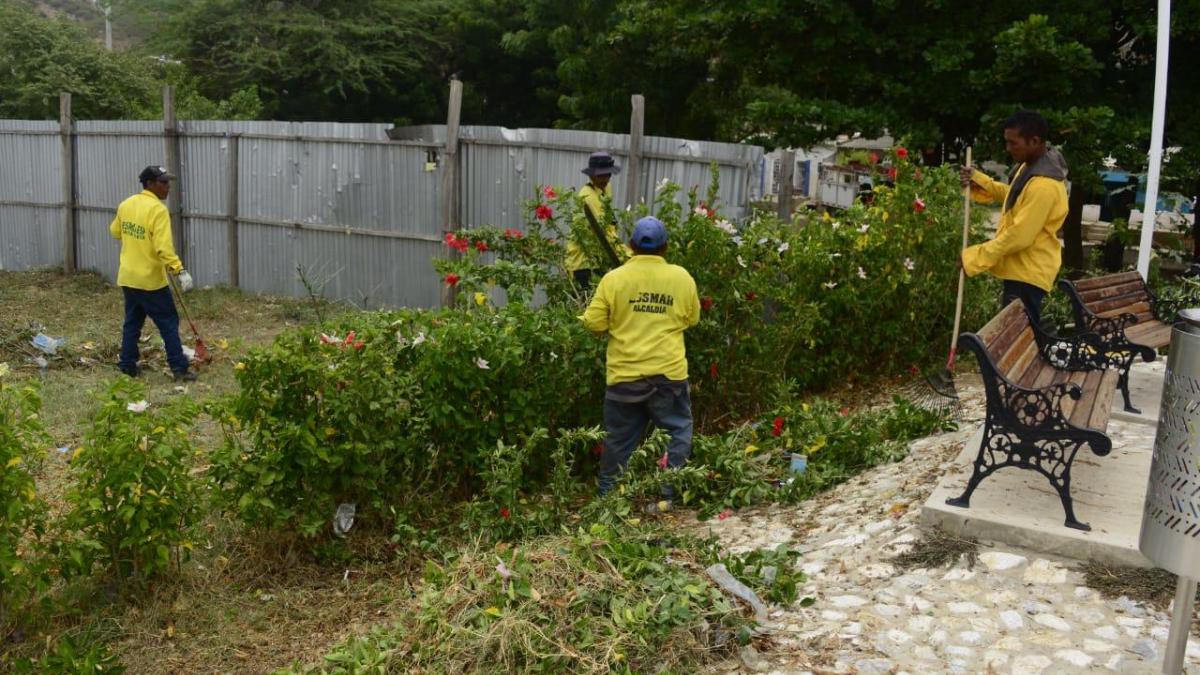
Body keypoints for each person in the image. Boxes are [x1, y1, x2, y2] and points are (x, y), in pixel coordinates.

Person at [580, 216, 700, 513]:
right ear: (666, 247)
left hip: (625, 377)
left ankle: (608, 500)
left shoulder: (614, 279)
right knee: (677, 431)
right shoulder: (681, 277)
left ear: (631, 246)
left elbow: (594, 324)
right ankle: (666, 496)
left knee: (618, 441)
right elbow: (691, 318)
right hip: (667, 377)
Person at [960, 110, 1069, 328]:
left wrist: (974, 258)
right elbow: (1014, 196)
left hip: (1028, 273)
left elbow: (1020, 236)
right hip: (1022, 270)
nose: (1008, 149)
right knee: (1020, 338)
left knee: (1016, 337)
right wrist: (979, 181)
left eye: (1013, 143)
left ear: (1035, 141)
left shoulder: (1044, 185)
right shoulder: (1030, 169)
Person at [109, 165, 196, 381]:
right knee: (168, 323)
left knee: (132, 322)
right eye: (163, 182)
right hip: (150, 281)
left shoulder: (126, 204)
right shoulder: (158, 210)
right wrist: (179, 271)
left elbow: (115, 232)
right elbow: (163, 248)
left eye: (168, 182)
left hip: (129, 277)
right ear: (149, 184)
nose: (167, 187)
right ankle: (179, 368)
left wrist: (137, 239)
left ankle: (127, 365)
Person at [568, 151, 627, 290]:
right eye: (600, 175)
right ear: (591, 175)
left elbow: (608, 222)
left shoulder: (606, 188)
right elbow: (605, 232)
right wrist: (627, 255)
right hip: (584, 262)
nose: (605, 179)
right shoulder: (587, 196)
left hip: (598, 258)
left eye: (608, 174)